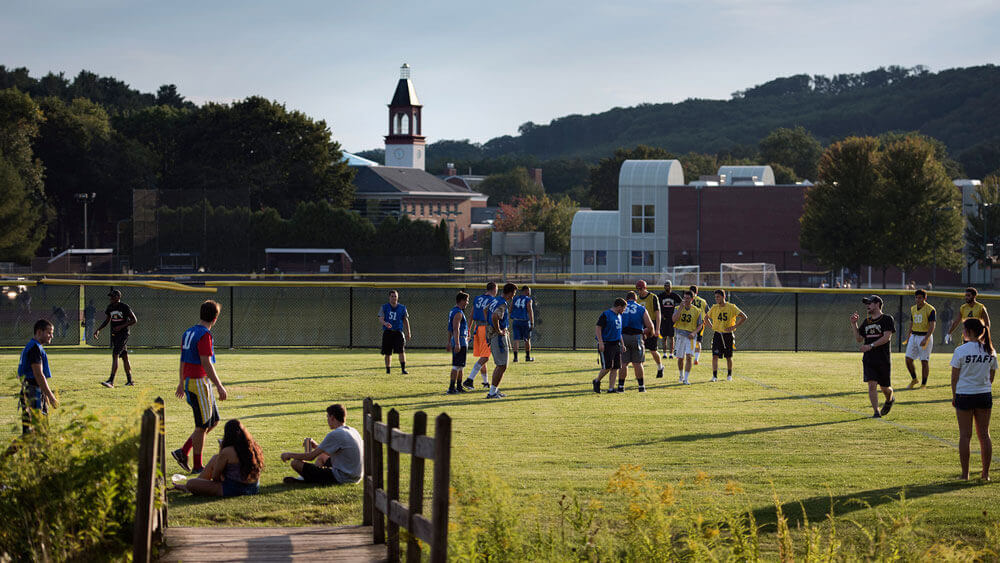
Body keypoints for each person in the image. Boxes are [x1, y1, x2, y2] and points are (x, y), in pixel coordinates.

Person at [172, 300, 228, 474]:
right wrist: (219, 385)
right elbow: (206, 362)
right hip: (198, 382)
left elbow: (183, 358)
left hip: (192, 381)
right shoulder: (205, 334)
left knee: (213, 420)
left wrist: (181, 382)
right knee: (202, 425)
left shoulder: (189, 331)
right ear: (216, 317)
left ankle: (183, 451)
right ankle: (197, 466)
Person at [950, 318, 994, 481]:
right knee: (984, 435)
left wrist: (955, 397)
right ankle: (985, 474)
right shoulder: (990, 350)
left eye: (963, 329)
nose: (962, 331)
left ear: (969, 331)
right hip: (983, 395)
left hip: (964, 395)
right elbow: (991, 378)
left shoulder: (960, 350)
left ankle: (965, 474)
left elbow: (954, 378)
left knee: (965, 436)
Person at [174, 419, 264, 497]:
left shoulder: (227, 451)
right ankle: (195, 484)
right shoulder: (254, 447)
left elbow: (215, 477)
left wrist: (222, 451)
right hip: (253, 488)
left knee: (191, 483)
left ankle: (190, 487)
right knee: (215, 458)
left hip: (233, 489)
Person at [281, 404, 364, 485]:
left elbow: (310, 457)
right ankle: (309, 478)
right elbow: (335, 452)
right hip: (356, 476)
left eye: (327, 417)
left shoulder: (336, 434)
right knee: (322, 457)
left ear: (332, 417)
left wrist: (289, 454)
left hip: (343, 478)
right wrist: (317, 446)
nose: (327, 419)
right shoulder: (352, 431)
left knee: (295, 463)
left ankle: (307, 480)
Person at [850, 295, 896, 418]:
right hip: (869, 359)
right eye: (866, 304)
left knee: (885, 387)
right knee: (872, 385)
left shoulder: (887, 319)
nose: (867, 306)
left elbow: (887, 337)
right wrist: (854, 324)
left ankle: (890, 399)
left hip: (883, 359)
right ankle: (876, 412)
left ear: (877, 304)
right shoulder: (866, 322)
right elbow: (859, 339)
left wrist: (871, 345)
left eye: (869, 303)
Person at [17, 319, 59, 434]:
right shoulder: (34, 348)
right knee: (37, 433)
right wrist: (51, 396)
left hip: (32, 390)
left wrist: (44, 394)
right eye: (49, 332)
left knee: (31, 434)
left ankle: (6, 453)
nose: (52, 336)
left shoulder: (32, 346)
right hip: (33, 393)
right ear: (39, 332)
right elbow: (38, 375)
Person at [93, 289, 137, 388]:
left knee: (115, 354)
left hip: (123, 334)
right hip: (115, 335)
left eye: (113, 297)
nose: (111, 299)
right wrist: (98, 329)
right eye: (110, 297)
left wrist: (121, 326)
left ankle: (111, 381)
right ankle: (130, 381)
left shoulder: (124, 307)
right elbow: (107, 320)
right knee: (124, 357)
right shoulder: (110, 307)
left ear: (118, 297)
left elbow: (134, 320)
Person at [705, 289, 748, 382]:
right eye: (715, 297)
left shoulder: (731, 307)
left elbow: (744, 317)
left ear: (723, 297)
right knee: (715, 356)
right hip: (717, 335)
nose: (716, 299)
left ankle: (729, 375)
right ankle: (714, 376)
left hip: (728, 335)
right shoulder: (714, 307)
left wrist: (734, 326)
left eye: (718, 297)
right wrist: (712, 326)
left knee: (728, 356)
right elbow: (706, 318)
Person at [485, 283, 517, 399]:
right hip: (498, 336)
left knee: (502, 364)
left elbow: (485, 310)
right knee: (502, 365)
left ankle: (494, 390)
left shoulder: (495, 300)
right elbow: (494, 316)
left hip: (493, 334)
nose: (513, 297)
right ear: (509, 292)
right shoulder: (502, 303)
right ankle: (492, 392)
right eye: (513, 294)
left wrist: (489, 328)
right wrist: (498, 331)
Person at [619, 291, 654, 392]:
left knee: (624, 363)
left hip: (623, 336)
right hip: (637, 337)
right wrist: (648, 334)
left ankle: (621, 387)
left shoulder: (622, 307)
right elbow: (650, 326)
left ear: (626, 299)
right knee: (638, 363)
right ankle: (641, 386)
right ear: (636, 299)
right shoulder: (641, 308)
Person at [464, 283, 497, 389]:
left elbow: (471, 315)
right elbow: (493, 316)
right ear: (494, 289)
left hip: (477, 328)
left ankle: (485, 382)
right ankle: (470, 379)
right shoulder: (493, 300)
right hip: (486, 329)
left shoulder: (478, 298)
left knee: (482, 356)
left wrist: (468, 329)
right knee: (485, 357)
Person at [904, 289, 936, 389]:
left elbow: (932, 326)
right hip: (914, 336)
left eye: (920, 298)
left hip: (924, 336)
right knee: (908, 359)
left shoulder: (930, 309)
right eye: (916, 297)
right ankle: (914, 379)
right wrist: (908, 336)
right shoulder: (913, 308)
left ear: (925, 298)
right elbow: (911, 323)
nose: (918, 299)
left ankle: (923, 384)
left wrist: (926, 338)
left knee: (924, 361)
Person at [593, 298, 627, 393]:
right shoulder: (606, 314)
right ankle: (597, 381)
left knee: (615, 367)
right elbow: (598, 328)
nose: (624, 311)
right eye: (623, 308)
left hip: (616, 344)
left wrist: (623, 344)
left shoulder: (619, 316)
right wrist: (600, 342)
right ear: (619, 307)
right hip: (606, 344)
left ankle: (611, 388)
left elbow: (618, 331)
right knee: (607, 367)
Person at [672, 290, 704, 385]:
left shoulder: (697, 311)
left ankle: (686, 378)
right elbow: (674, 319)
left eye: (688, 298)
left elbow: (700, 325)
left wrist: (694, 333)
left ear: (692, 299)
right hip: (680, 335)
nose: (685, 300)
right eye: (684, 298)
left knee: (689, 357)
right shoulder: (678, 308)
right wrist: (680, 309)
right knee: (680, 358)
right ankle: (681, 375)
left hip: (690, 337)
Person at [635, 280, 663, 378]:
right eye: (638, 289)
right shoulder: (637, 299)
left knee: (653, 350)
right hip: (641, 326)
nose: (639, 291)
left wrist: (657, 329)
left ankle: (660, 367)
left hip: (652, 325)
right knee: (640, 350)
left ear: (645, 288)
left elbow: (658, 313)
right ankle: (640, 373)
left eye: (641, 289)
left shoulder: (653, 297)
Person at [379, 290, 411, 375]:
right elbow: (381, 318)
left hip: (398, 332)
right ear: (389, 297)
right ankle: (388, 370)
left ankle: (403, 369)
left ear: (397, 297)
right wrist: (385, 323)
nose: (394, 298)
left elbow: (405, 320)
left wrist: (408, 332)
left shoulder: (402, 307)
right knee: (387, 352)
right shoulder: (384, 307)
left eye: (395, 296)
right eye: (392, 296)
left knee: (401, 351)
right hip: (388, 332)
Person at [446, 292, 470, 395]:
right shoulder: (458, 312)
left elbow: (449, 329)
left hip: (459, 340)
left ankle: (459, 387)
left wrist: (449, 342)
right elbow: (456, 328)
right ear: (462, 301)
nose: (467, 303)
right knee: (456, 366)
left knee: (461, 366)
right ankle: (451, 388)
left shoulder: (453, 310)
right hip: (460, 340)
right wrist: (457, 343)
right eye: (466, 300)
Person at [659, 281, 682, 364]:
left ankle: (671, 353)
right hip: (664, 319)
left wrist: (677, 313)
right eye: (665, 286)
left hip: (672, 319)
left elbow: (682, 303)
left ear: (671, 287)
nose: (667, 287)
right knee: (664, 337)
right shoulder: (661, 296)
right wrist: (660, 314)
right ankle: (665, 353)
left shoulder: (674, 296)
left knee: (671, 337)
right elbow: (656, 305)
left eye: (668, 286)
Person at [510, 285, 535, 362]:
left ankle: (515, 358)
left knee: (516, 339)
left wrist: (514, 315)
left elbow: (510, 309)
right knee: (527, 339)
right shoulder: (528, 299)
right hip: (524, 321)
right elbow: (530, 310)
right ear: (526, 291)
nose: (530, 292)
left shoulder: (515, 298)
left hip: (516, 321)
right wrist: (532, 322)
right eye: (529, 290)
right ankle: (527, 357)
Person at [689, 286, 710, 365]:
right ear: (697, 292)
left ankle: (690, 355)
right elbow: (708, 312)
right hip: (701, 322)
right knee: (698, 341)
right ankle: (696, 358)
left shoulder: (688, 300)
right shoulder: (703, 301)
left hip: (690, 322)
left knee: (690, 339)